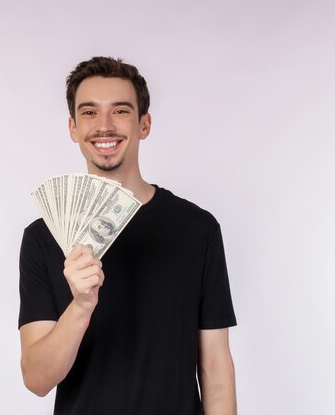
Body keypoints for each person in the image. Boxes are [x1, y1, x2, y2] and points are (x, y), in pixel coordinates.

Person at [18, 56, 237, 414]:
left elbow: (215, 367)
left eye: (120, 111)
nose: (104, 126)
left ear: (144, 124)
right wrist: (81, 306)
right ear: (73, 128)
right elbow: (37, 379)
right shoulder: (42, 239)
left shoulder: (198, 229)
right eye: (89, 113)